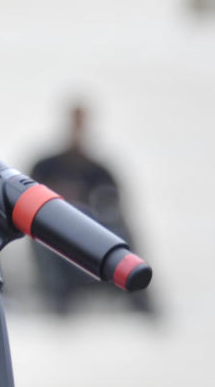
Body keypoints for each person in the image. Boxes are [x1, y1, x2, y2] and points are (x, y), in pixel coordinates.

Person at [29, 102, 155, 316]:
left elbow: (113, 205)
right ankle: (57, 297)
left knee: (122, 231)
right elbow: (28, 201)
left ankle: (136, 291)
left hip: (92, 233)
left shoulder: (100, 170)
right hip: (55, 233)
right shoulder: (46, 166)